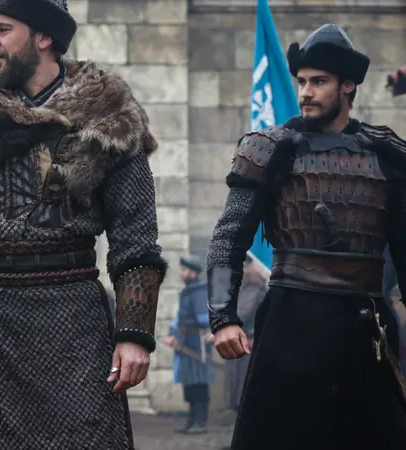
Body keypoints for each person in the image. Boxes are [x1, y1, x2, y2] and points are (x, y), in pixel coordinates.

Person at [0, 0, 166, 448]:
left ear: (44, 37)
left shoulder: (109, 115)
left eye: (2, 30)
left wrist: (134, 334)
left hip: (76, 319)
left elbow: (135, 235)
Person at [206, 23, 406, 450]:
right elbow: (227, 240)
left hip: (366, 326)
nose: (306, 92)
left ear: (347, 86)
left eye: (319, 82)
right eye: (302, 81)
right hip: (291, 321)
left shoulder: (387, 154)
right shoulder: (270, 149)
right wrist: (223, 317)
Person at [163, 255, 213, 435]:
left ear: (193, 272)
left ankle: (200, 423)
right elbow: (180, 318)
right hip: (185, 344)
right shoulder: (187, 292)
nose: (182, 273)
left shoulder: (200, 291)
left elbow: (205, 318)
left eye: (185, 270)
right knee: (189, 384)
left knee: (199, 383)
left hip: (198, 344)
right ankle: (192, 421)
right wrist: (172, 334)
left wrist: (213, 331)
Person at [223, 253, 267, 412]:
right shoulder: (241, 285)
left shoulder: (253, 286)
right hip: (240, 340)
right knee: (237, 382)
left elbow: (243, 312)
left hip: (249, 340)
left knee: (244, 383)